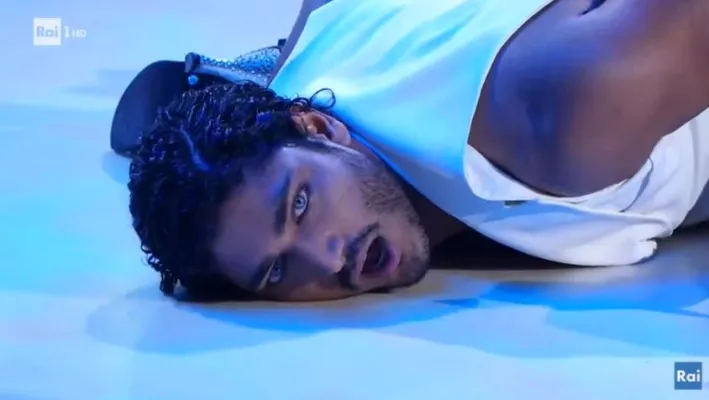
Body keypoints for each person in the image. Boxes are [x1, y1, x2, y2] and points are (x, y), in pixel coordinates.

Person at [127, 0, 709, 302]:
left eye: (301, 206)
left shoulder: (567, 122)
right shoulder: (312, 48)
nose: (325, 260)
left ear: (321, 128)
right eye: (277, 270)